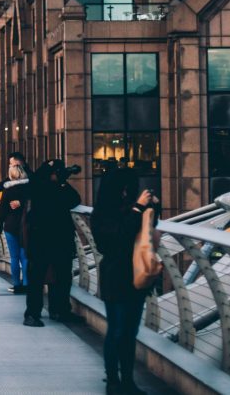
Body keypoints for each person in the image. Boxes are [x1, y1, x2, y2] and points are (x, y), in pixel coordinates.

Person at [92, 168, 157, 395]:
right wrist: (138, 208)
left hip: (135, 277)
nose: (128, 192)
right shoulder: (102, 213)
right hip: (115, 275)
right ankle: (113, 380)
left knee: (130, 331)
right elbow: (115, 239)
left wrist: (151, 208)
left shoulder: (131, 208)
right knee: (117, 330)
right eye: (125, 188)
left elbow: (147, 233)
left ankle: (127, 380)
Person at [22, 159, 81, 327]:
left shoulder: (58, 187)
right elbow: (40, 193)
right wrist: (57, 183)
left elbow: (75, 199)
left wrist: (62, 182)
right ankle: (32, 314)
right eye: (56, 173)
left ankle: (60, 310)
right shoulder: (37, 185)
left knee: (62, 276)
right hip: (41, 238)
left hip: (60, 238)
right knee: (37, 278)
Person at [0, 161, 30, 293]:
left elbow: (2, 209)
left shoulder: (8, 190)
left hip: (10, 226)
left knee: (14, 257)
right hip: (25, 225)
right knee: (24, 256)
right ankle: (26, 284)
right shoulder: (28, 189)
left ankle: (16, 284)